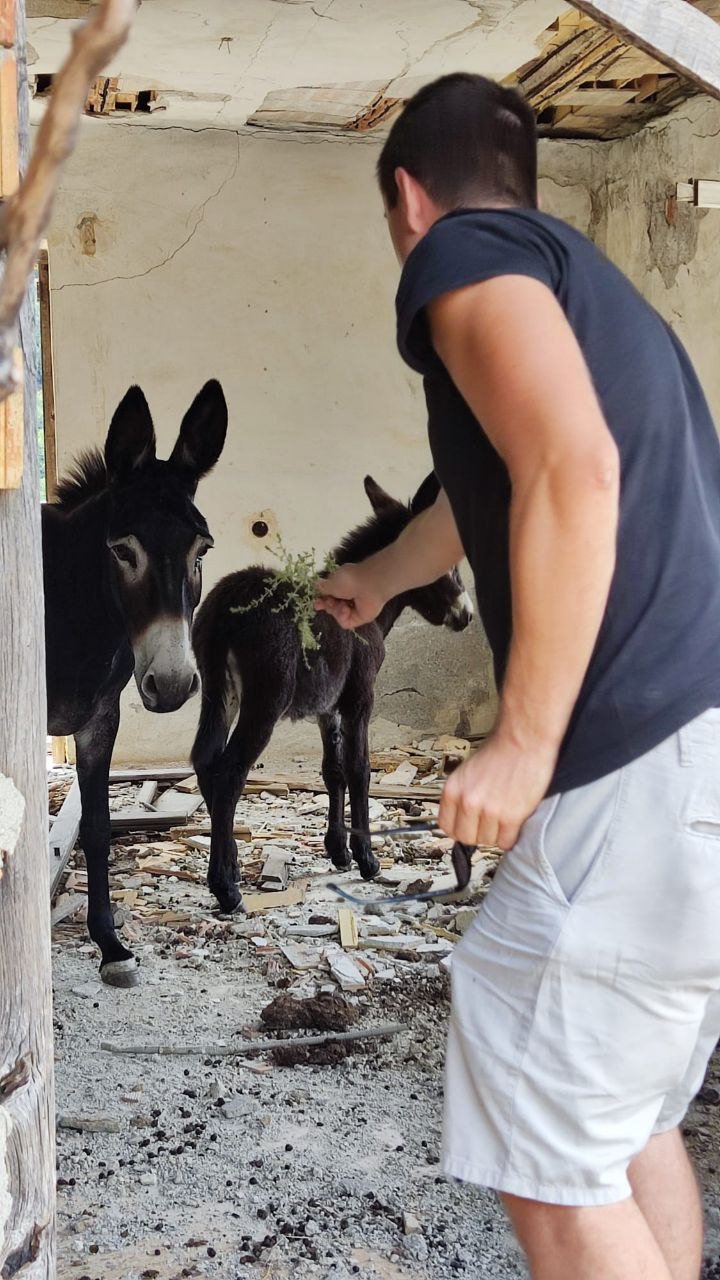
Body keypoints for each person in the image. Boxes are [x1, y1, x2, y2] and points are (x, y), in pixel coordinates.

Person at [314, 72, 720, 1280]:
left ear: (405, 198)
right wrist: (380, 575)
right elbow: (490, 472)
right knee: (621, 1124)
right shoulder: (596, 298)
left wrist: (524, 741)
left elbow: (572, 467)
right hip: (693, 768)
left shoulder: (469, 252)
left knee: (552, 1172)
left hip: (627, 769)